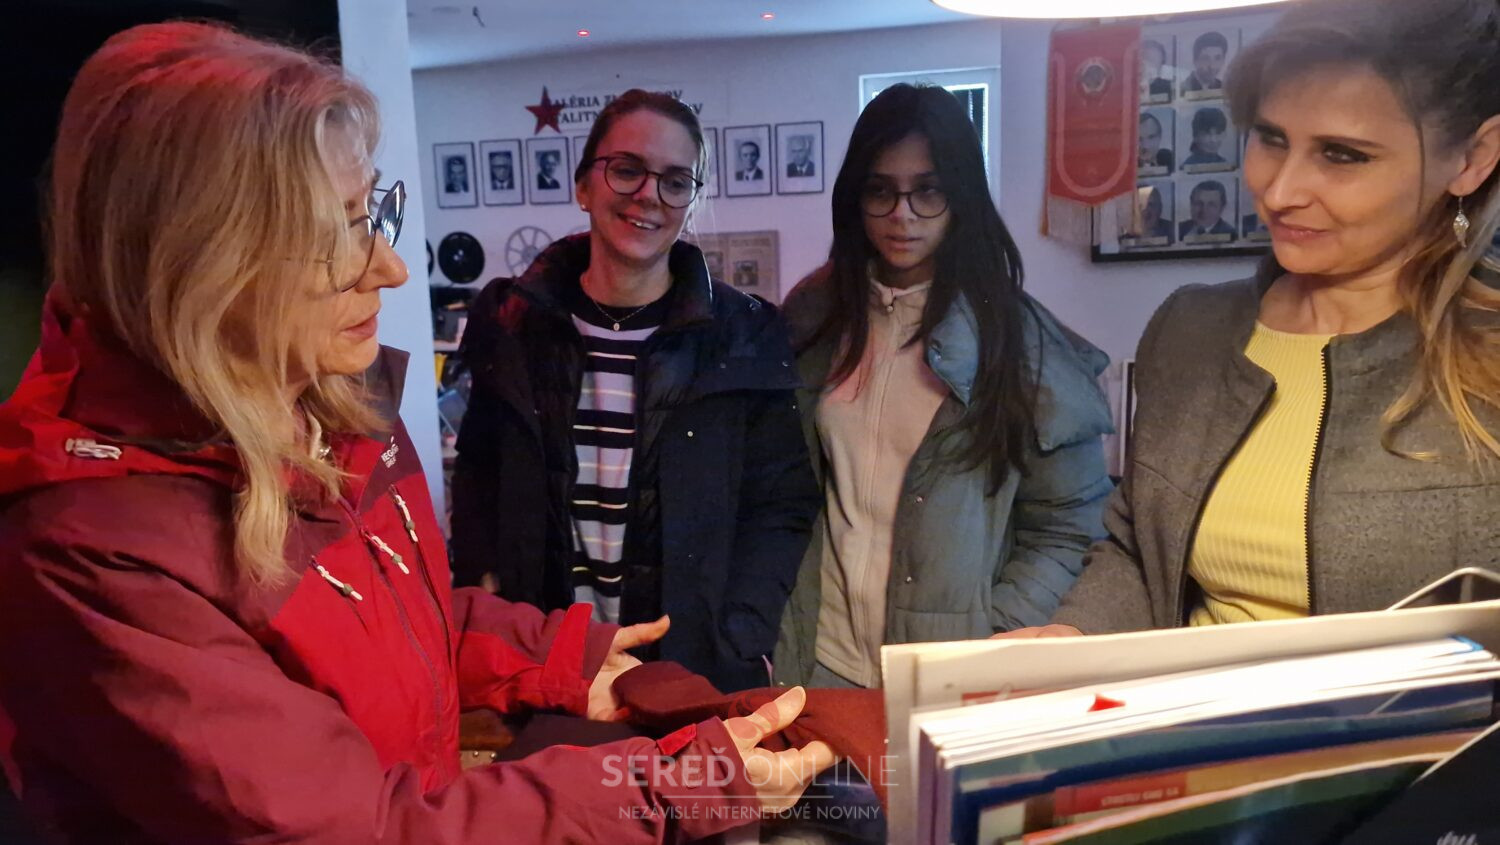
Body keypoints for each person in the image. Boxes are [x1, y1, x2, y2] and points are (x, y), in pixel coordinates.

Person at [0, 25, 833, 841]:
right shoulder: (93, 548)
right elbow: (354, 824)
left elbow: (402, 619)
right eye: (336, 233)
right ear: (197, 260)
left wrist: (559, 656)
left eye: (374, 214)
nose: (391, 268)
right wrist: (675, 785)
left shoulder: (328, 402)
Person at [1007, 0, 1500, 638]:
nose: (1279, 191)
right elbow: (1140, 549)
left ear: (1472, 158)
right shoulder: (1191, 330)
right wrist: (1073, 636)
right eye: (1271, 138)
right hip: (1185, 702)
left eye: (1342, 155)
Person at [451, 89, 820, 693]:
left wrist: (741, 634)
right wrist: (484, 592)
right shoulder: (512, 323)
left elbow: (781, 502)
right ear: (583, 185)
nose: (649, 194)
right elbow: (477, 472)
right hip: (546, 664)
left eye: (675, 181)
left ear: (691, 203)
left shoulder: (745, 335)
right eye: (627, 170)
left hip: (690, 668)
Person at [772, 83, 1115, 689]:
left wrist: (994, 636)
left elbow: (1069, 526)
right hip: (816, 666)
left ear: (961, 195)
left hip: (950, 681)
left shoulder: (1021, 342)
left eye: (927, 190)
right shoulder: (813, 315)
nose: (902, 215)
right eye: (880, 190)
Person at [1182, 30, 1228, 95]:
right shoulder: (1182, 89)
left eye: (1217, 58)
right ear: (1195, 60)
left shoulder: (1224, 88)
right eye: (1206, 59)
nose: (1212, 66)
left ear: (1223, 60)